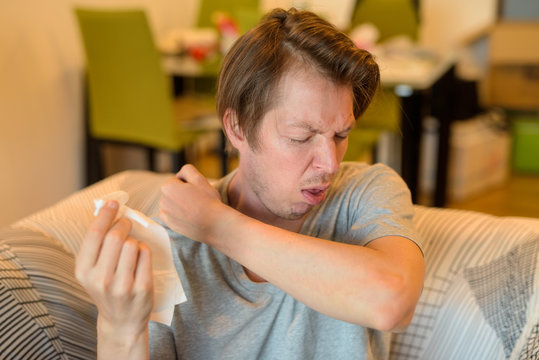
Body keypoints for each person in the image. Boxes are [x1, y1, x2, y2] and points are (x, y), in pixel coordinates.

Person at [75, 8, 425, 360]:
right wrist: (119, 329)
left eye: (341, 134)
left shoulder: (365, 192)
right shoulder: (174, 242)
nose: (330, 163)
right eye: (301, 137)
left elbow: (392, 301)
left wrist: (218, 225)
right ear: (237, 127)